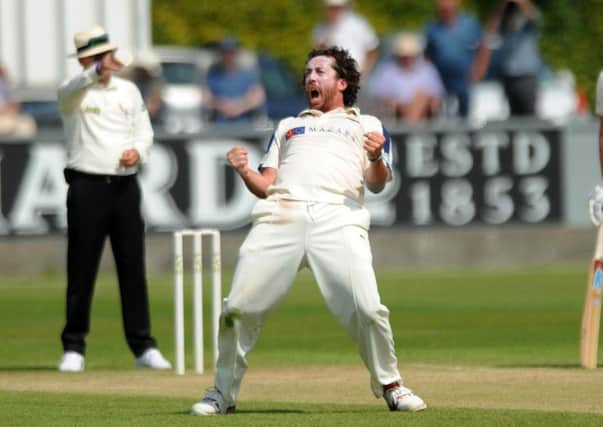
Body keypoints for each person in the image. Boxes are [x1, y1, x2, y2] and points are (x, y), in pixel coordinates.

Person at [190, 46, 426, 415]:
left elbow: (377, 184)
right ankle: (221, 393)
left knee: (368, 308)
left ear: (342, 82)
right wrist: (244, 170)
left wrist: (377, 156)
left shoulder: (367, 126)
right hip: (281, 215)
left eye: (320, 71)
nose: (310, 78)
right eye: (307, 73)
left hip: (339, 217)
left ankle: (391, 385)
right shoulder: (288, 125)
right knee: (236, 308)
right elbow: (267, 184)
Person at [56, 25, 171, 372]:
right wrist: (97, 69)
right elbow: (73, 87)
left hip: (124, 188)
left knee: (132, 268)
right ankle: (73, 347)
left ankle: (143, 347)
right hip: (86, 187)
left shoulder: (128, 90)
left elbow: (145, 133)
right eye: (97, 58)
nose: (106, 63)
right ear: (86, 60)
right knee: (82, 269)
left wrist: (137, 151)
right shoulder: (73, 92)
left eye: (106, 56)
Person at [424, 0, 485, 117]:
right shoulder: (433, 27)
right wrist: (430, 77)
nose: (445, 12)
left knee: (467, 111)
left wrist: (479, 68)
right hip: (442, 78)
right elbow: (428, 54)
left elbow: (482, 47)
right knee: (445, 112)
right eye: (442, 10)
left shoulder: (470, 24)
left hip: (466, 76)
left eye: (448, 9)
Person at [483, 0, 542, 116]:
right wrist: (502, 5)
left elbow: (535, 16)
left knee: (531, 117)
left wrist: (520, 2)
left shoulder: (528, 24)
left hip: (526, 75)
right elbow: (490, 33)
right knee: (513, 119)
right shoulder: (504, 23)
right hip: (508, 76)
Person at [369, 32, 444, 123]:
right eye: (404, 56)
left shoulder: (427, 69)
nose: (408, 59)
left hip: (423, 109)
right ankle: (413, 127)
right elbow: (380, 94)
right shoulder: (388, 70)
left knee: (420, 97)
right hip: (396, 109)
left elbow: (437, 94)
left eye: (410, 56)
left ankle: (411, 125)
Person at [203, 36, 267, 124]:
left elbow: (258, 97)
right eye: (225, 52)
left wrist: (239, 107)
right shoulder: (213, 75)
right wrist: (222, 105)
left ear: (236, 53)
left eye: (231, 52)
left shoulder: (248, 75)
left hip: (244, 126)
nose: (228, 56)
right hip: (219, 126)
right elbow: (206, 98)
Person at [312, 0, 380, 78]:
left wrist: (364, 73)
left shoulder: (359, 24)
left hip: (355, 76)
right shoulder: (320, 28)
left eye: (337, 8)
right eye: (331, 8)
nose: (334, 11)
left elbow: (372, 50)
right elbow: (318, 54)